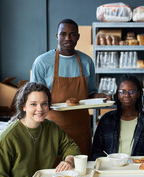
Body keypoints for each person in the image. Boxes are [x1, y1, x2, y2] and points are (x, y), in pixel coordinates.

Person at [30, 18, 106, 156]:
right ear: (57, 36)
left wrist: (101, 97)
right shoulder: (42, 62)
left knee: (82, 169)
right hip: (52, 127)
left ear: (78, 37)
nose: (68, 38)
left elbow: (90, 93)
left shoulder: (87, 61)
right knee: (53, 169)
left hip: (81, 128)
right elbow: (33, 98)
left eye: (72, 34)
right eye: (63, 34)